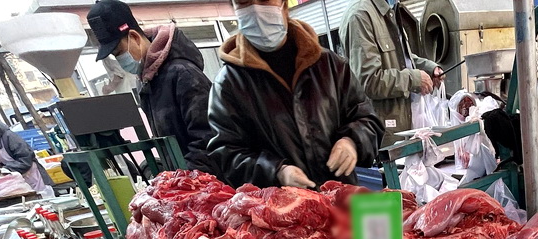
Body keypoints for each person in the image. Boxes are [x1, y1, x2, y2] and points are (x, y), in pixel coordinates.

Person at [207, 0, 383, 188]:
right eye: (243, 2)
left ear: (283, 3)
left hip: (343, 196)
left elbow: (367, 118)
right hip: (279, 209)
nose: (256, 9)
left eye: (264, 0)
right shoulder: (228, 84)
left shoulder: (330, 65)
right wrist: (276, 172)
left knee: (393, 215)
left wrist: (352, 141)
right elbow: (226, 153)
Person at [88, 0, 216, 173]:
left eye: (118, 52)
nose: (120, 60)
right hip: (186, 183)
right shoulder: (145, 80)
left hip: (208, 184)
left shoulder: (182, 74)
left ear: (134, 37)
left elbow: (209, 139)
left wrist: (184, 183)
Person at [341, 0, 443, 147]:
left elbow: (402, 60)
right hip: (387, 137)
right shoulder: (360, 15)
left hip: (408, 129)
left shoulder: (391, 9)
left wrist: (429, 68)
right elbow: (369, 81)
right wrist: (414, 79)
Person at [0, 111, 54, 198]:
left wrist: (6, 169)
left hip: (31, 175)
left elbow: (25, 159)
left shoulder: (9, 136)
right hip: (14, 179)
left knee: (43, 197)